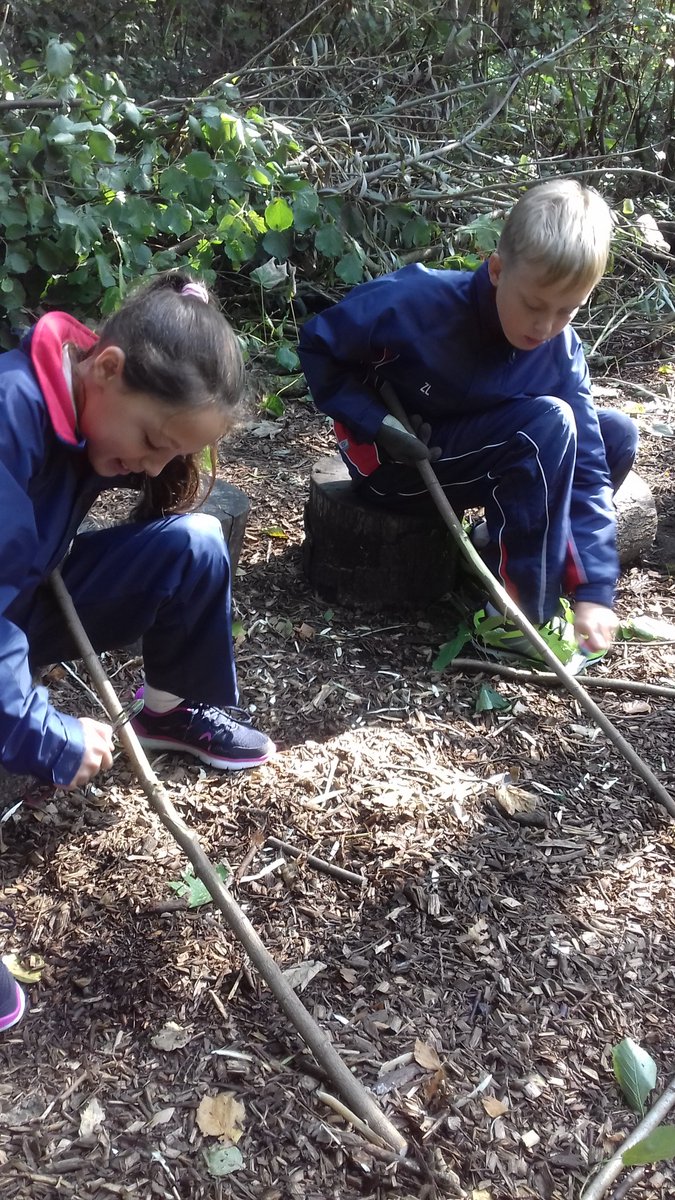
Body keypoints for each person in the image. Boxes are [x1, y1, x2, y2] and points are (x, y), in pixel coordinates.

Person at [298, 179, 638, 666]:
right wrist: (376, 423)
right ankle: (516, 618)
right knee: (547, 424)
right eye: (534, 304)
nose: (545, 327)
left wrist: (596, 590)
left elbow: (587, 468)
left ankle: (495, 549)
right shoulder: (415, 303)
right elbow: (319, 345)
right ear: (497, 270)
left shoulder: (559, 352)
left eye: (567, 310)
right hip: (402, 468)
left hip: (482, 459)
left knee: (613, 436)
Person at [0, 271, 275, 789]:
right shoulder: (10, 414)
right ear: (107, 367)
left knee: (195, 543)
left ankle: (168, 712)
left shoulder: (88, 409)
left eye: (174, 453)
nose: (153, 468)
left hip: (21, 599)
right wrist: (43, 732)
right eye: (152, 439)